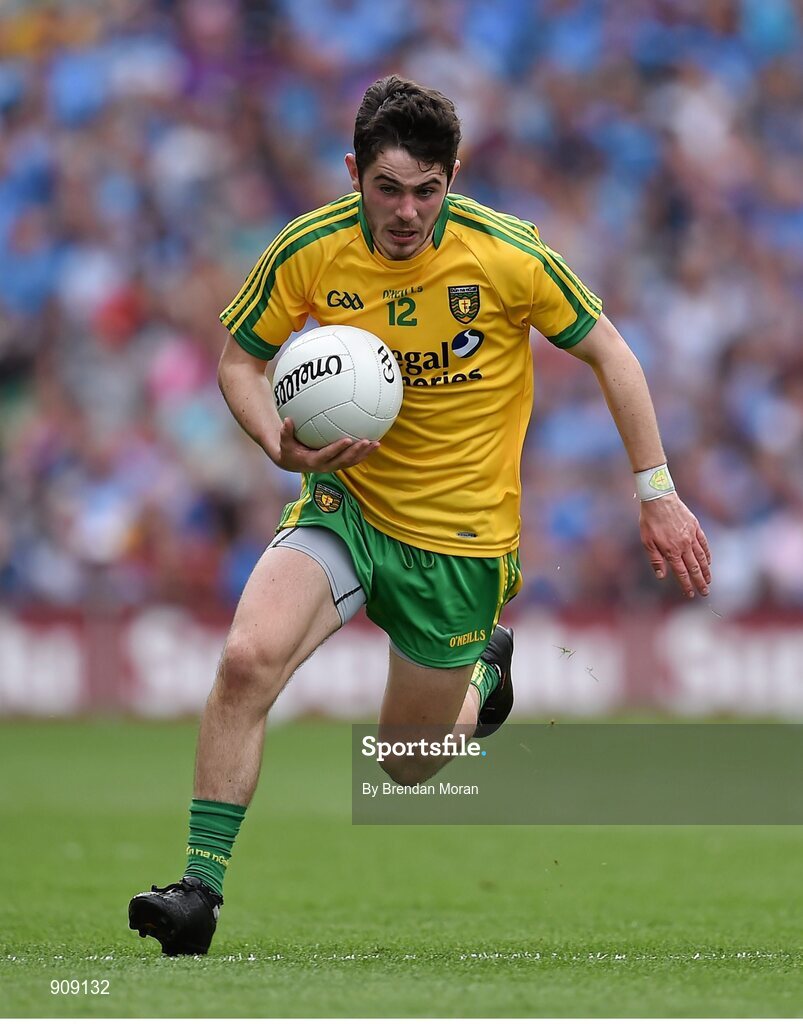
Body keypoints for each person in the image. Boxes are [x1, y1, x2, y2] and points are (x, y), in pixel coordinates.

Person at [128, 75, 711, 955]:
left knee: (402, 768)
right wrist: (275, 446)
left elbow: (611, 353)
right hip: (347, 506)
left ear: (453, 177)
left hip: (461, 544)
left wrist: (656, 492)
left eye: (427, 190)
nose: (407, 211)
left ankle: (484, 679)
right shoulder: (311, 248)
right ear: (354, 171)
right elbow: (240, 364)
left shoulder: (507, 254)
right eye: (387, 188)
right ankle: (197, 893)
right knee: (247, 660)